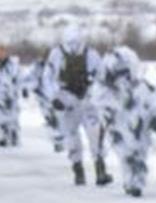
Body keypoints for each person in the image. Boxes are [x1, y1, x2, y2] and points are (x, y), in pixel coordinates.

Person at [44, 26, 112, 186]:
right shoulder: (59, 54)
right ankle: (84, 170)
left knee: (89, 135)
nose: (74, 45)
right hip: (72, 99)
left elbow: (101, 77)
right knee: (77, 136)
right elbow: (48, 78)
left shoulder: (89, 54)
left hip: (83, 98)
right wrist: (54, 97)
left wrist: (100, 97)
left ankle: (93, 170)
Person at [95, 46, 156, 198]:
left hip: (140, 127)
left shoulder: (141, 86)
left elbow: (153, 103)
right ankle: (129, 181)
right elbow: (100, 103)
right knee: (125, 155)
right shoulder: (107, 89)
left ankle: (137, 183)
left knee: (140, 155)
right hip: (119, 128)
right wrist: (106, 114)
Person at [23, 56, 65, 154]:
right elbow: (29, 79)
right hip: (44, 98)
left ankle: (62, 142)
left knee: (61, 120)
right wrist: (28, 88)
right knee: (50, 121)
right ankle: (57, 143)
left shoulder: (60, 64)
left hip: (59, 98)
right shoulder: (38, 67)